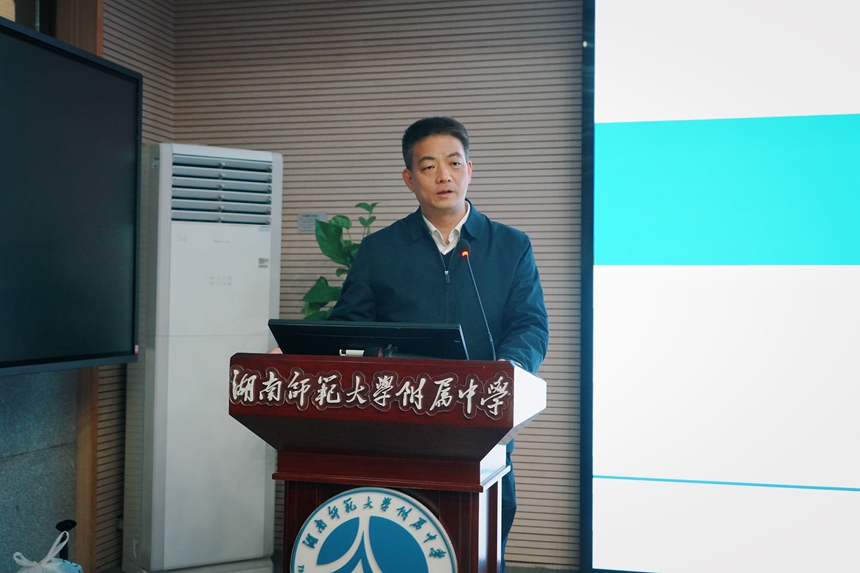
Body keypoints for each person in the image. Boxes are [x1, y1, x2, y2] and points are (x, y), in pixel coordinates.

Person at [328, 116, 549, 569]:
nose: (443, 176)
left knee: (480, 547)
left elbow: (529, 325)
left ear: (470, 169)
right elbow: (347, 329)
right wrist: (299, 354)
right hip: (398, 427)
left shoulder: (510, 246)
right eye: (428, 166)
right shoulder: (380, 250)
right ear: (409, 179)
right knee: (401, 546)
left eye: (453, 163)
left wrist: (506, 372)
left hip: (482, 426)